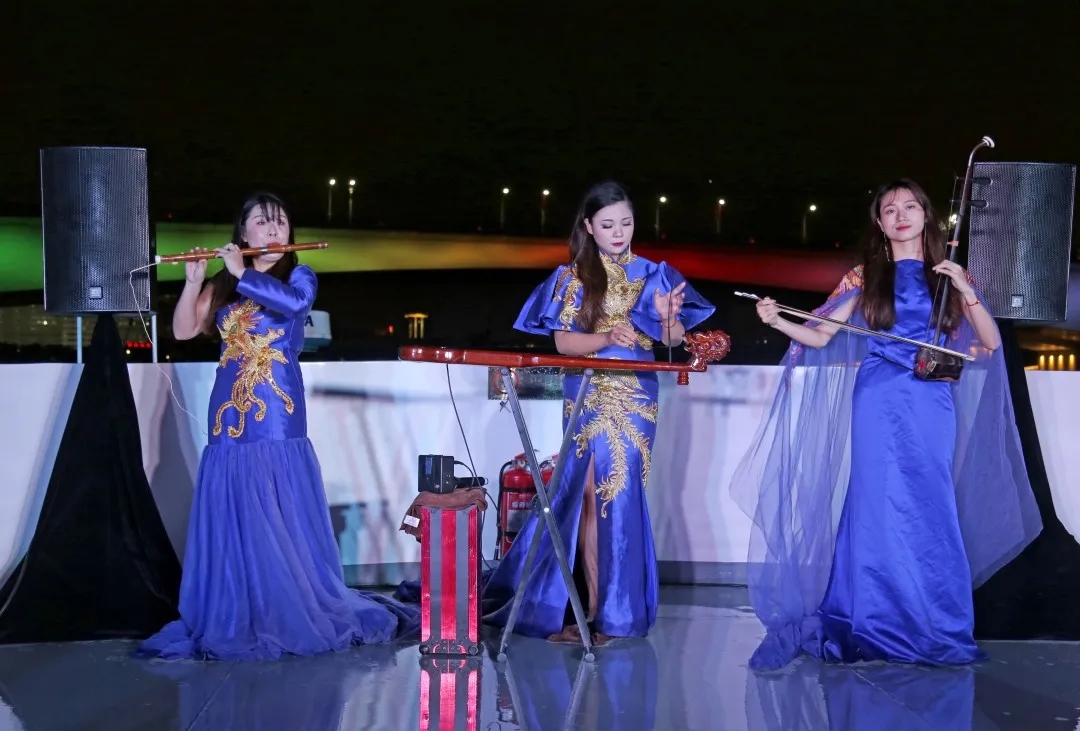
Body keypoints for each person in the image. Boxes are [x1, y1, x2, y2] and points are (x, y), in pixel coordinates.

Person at [730, 179, 1042, 671]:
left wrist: (965, 289)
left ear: (926, 215)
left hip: (930, 400)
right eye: (890, 210)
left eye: (910, 206)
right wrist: (775, 321)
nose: (901, 216)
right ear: (879, 222)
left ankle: (932, 622)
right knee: (874, 502)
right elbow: (820, 336)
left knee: (929, 502)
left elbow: (990, 342)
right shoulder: (865, 275)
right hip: (877, 397)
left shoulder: (949, 275)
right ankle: (872, 619)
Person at [137, 192, 417, 661]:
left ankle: (287, 604)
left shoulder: (299, 275)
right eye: (263, 222)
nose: (273, 230)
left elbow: (293, 306)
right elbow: (184, 330)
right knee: (235, 499)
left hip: (277, 410)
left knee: (276, 502)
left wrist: (242, 273)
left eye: (281, 222)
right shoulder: (225, 282)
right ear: (242, 232)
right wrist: (193, 282)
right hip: (228, 411)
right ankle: (238, 602)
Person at [482, 180, 716, 646]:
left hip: (634, 396)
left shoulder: (655, 274)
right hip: (586, 393)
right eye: (608, 225)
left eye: (626, 223)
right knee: (586, 496)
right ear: (589, 227)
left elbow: (672, 340)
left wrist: (668, 316)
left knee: (617, 495)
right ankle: (592, 612)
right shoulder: (573, 277)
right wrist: (607, 337)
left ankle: (612, 615)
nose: (618, 232)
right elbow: (564, 343)